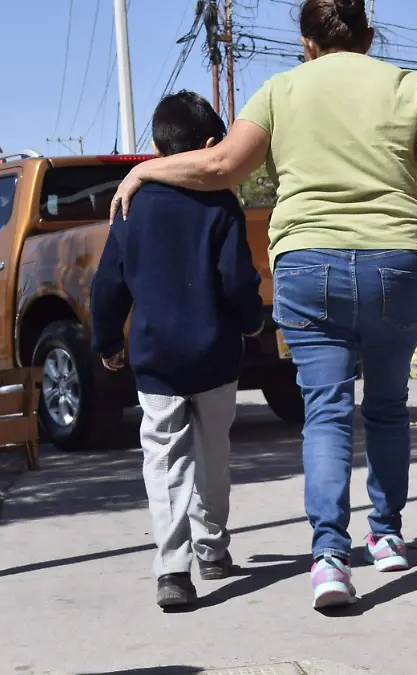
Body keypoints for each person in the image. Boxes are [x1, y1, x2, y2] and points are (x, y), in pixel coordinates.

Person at [109, 0, 417, 609]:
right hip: (399, 263)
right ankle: (387, 536)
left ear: (307, 42)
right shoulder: (411, 88)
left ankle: (331, 559)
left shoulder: (280, 90)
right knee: (389, 408)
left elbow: (222, 166)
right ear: (368, 34)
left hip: (309, 267)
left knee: (327, 414)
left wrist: (148, 171)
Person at [91, 91, 265, 609]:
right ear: (209, 147)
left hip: (156, 359)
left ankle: (173, 571)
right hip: (214, 355)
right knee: (213, 454)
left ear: (156, 146)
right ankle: (212, 550)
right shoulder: (221, 203)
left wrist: (106, 341)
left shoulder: (130, 203)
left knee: (166, 463)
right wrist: (251, 322)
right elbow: (237, 278)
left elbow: (108, 283)